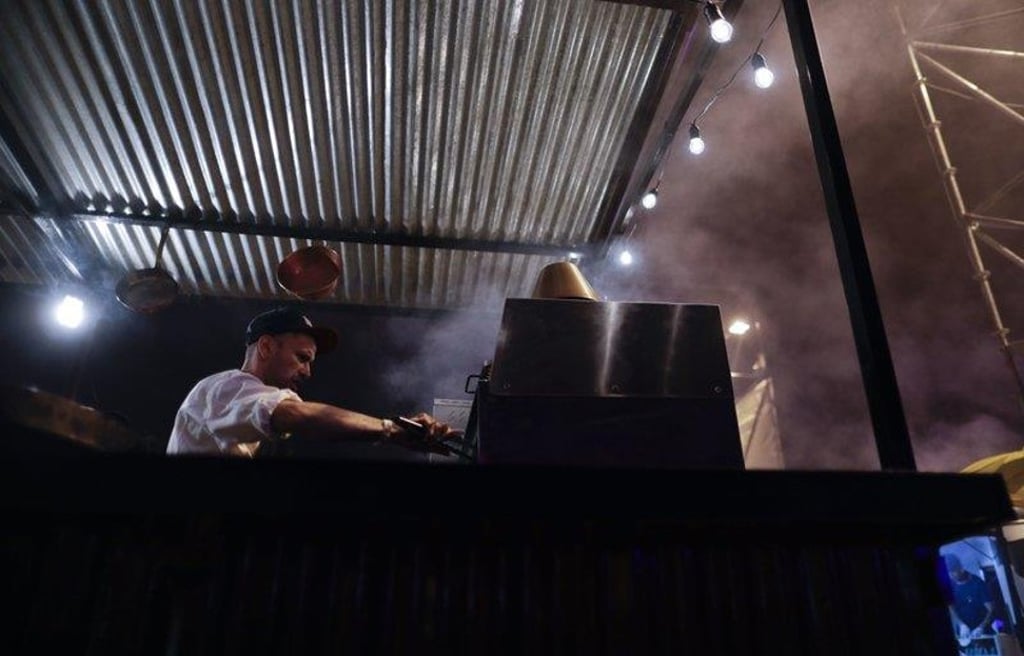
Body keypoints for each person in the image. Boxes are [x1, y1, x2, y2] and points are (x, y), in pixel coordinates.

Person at [167, 307, 458, 457]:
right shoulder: (224, 386)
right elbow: (293, 414)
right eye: (302, 357)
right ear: (267, 347)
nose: (307, 372)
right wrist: (391, 430)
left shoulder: (236, 403)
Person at [944, 553, 995, 638]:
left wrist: (981, 627)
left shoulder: (978, 584)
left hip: (983, 632)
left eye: (953, 571)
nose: (951, 575)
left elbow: (991, 609)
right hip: (964, 634)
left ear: (961, 568)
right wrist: (961, 625)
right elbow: (951, 607)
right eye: (949, 573)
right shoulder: (950, 586)